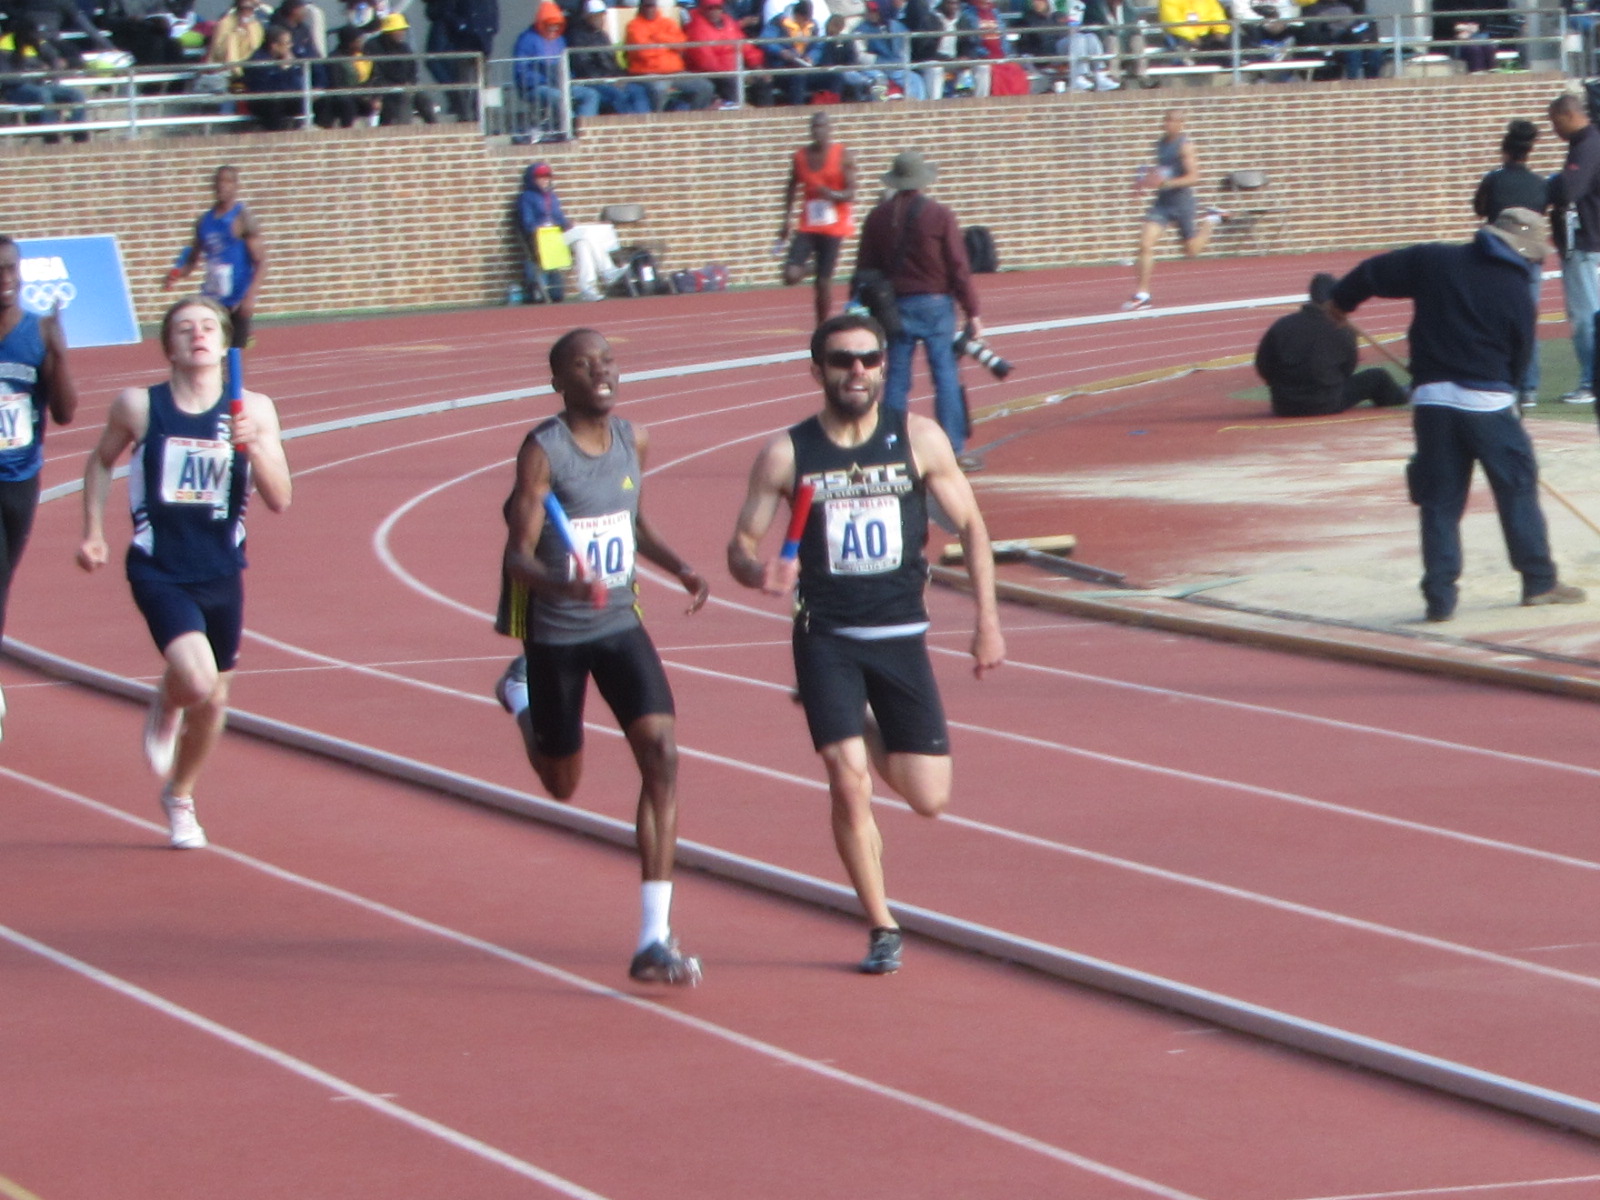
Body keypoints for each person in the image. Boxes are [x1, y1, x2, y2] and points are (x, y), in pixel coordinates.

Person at [726, 311, 1005, 975]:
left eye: (868, 360)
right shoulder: (789, 454)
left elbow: (972, 527)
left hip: (902, 636)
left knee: (928, 797)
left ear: (883, 365)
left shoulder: (917, 440)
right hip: (827, 636)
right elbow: (740, 545)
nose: (857, 371)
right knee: (848, 781)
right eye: (842, 361)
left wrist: (987, 622)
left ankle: (853, 717)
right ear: (817, 369)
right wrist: (758, 570)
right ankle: (881, 924)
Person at [492, 327, 708, 986]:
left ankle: (653, 937)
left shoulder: (632, 439)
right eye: (583, 366)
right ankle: (520, 696)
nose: (601, 372)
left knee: (663, 756)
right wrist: (564, 583)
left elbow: (631, 520)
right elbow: (517, 554)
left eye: (607, 361)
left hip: (619, 621)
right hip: (557, 632)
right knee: (562, 784)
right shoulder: (543, 452)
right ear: (560, 382)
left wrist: (678, 565)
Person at [76, 295, 292, 848]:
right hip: (159, 567)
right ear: (168, 346)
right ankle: (168, 700)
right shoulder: (140, 407)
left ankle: (180, 797)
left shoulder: (254, 408)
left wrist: (255, 451)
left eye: (208, 327)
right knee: (196, 682)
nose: (197, 335)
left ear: (225, 343)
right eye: (184, 328)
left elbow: (280, 499)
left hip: (222, 569)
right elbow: (100, 461)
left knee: (217, 701)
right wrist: (95, 532)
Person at [1328, 209, 1586, 623]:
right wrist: (1513, 397)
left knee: (1440, 501)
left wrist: (1340, 303)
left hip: (1432, 400)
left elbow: (1372, 272)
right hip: (1489, 402)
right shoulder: (1515, 288)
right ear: (1523, 251)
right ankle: (1538, 581)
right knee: (1517, 488)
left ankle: (1439, 596)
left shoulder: (1434, 260)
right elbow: (1519, 355)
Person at [854, 148, 983, 468]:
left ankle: (890, 445)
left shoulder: (878, 217)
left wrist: (861, 306)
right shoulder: (939, 215)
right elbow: (958, 266)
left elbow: (865, 267)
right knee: (945, 375)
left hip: (894, 307)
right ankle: (953, 446)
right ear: (922, 181)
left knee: (897, 377)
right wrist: (973, 311)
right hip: (936, 305)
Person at [0, 235, 78, 740]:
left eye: (10, 269)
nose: (3, 279)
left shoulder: (37, 332)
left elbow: (66, 412)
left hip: (19, 480)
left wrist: (60, 352)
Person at [1254, 272, 1408, 417]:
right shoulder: (1342, 328)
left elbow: (1263, 365)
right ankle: (1402, 396)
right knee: (1378, 377)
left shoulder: (1281, 325)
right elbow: (1348, 369)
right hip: (1326, 402)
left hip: (1284, 405)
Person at [1473, 118, 1548, 408]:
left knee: (1492, 320)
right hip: (1530, 257)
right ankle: (1528, 387)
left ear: (1504, 152)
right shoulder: (1540, 183)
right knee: (1527, 320)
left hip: (1498, 255)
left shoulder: (1493, 180)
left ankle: (1498, 380)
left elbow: (1479, 208)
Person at [1122, 109, 1224, 312]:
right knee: (1145, 244)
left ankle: (1211, 219)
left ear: (1180, 124)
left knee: (1191, 251)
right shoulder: (1160, 144)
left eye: (1171, 121)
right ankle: (1142, 295)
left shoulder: (1185, 147)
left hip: (1182, 203)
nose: (1167, 124)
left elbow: (1194, 177)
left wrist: (1166, 183)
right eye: (1165, 120)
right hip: (1162, 203)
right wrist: (1142, 180)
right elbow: (1160, 170)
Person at [163, 165, 267, 349]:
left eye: (228, 181)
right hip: (212, 299)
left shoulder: (242, 218)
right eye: (219, 181)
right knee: (214, 351)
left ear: (236, 186)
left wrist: (250, 297)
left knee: (235, 354)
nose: (222, 186)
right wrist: (176, 274)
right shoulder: (204, 222)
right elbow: (192, 260)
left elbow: (261, 262)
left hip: (237, 299)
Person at [779, 112, 857, 328]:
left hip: (835, 224)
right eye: (815, 128)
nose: (819, 132)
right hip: (809, 224)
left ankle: (822, 326)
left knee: (823, 283)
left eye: (823, 127)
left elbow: (851, 192)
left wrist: (832, 194)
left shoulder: (842, 155)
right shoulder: (801, 157)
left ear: (830, 130)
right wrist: (786, 219)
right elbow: (792, 186)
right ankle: (816, 266)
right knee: (790, 275)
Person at [1547, 92, 1600, 406]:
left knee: (1585, 317)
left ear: (1568, 116)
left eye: (1556, 122)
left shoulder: (1587, 144)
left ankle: (1590, 381)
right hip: (1590, 242)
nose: (1555, 130)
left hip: (1586, 244)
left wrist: (1549, 186)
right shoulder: (1588, 142)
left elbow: (1569, 188)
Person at [517, 161, 625, 302]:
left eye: (547, 176)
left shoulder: (552, 196)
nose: (545, 179)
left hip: (558, 236)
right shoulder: (526, 198)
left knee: (583, 244)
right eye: (540, 176)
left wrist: (566, 224)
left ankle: (587, 288)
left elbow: (560, 218)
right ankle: (607, 271)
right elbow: (528, 225)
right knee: (587, 234)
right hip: (544, 240)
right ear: (532, 179)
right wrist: (546, 224)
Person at [624, 0, 715, 112]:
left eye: (652, 5)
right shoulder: (634, 26)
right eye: (647, 6)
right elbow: (643, 53)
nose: (650, 9)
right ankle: (657, 121)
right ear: (641, 7)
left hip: (675, 72)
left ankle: (694, 118)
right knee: (660, 89)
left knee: (705, 86)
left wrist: (658, 38)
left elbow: (682, 45)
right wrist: (669, 46)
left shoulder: (668, 23)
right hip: (648, 72)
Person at [567, 0, 653, 118]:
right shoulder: (577, 37)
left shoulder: (602, 35)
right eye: (596, 16)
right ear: (588, 17)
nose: (600, 19)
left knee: (638, 90)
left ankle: (646, 124)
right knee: (618, 95)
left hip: (611, 79)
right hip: (593, 81)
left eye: (602, 16)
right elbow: (584, 67)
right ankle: (631, 126)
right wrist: (609, 80)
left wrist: (621, 77)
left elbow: (613, 63)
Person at [365, 12, 439, 125]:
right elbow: (374, 74)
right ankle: (403, 131)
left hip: (405, 86)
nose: (401, 33)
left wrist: (410, 83)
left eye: (402, 30)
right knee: (403, 97)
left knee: (424, 101)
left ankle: (436, 131)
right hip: (384, 88)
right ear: (388, 32)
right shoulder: (373, 47)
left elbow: (412, 70)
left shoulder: (404, 48)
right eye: (397, 30)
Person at [512, 0, 569, 135]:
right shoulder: (527, 40)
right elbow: (522, 71)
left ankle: (581, 130)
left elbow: (565, 66)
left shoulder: (560, 40)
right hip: (535, 87)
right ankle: (566, 128)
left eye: (557, 26)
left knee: (589, 95)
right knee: (559, 97)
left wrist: (568, 80)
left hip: (560, 84)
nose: (553, 29)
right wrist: (546, 78)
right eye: (550, 25)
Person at [241, 25, 305, 132]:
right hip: (263, 102)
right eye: (287, 43)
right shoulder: (257, 60)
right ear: (274, 46)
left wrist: (290, 69)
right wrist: (284, 69)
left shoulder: (288, 58)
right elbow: (271, 86)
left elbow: (296, 83)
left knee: (320, 101)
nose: (290, 46)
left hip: (286, 98)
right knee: (274, 105)